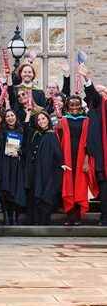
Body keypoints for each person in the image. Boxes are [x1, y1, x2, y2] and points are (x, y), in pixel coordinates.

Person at [24, 110, 69, 226]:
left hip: (46, 170)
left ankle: (43, 221)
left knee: (44, 192)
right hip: (35, 170)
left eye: (43, 119)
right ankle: (34, 220)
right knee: (34, 193)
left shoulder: (52, 135)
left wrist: (61, 163)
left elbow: (57, 152)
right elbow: (26, 131)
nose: (41, 121)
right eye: (39, 120)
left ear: (48, 120)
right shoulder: (37, 134)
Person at [56, 95, 95, 226]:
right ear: (68, 106)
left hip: (80, 158)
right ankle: (69, 216)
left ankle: (78, 216)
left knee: (80, 187)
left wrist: (86, 161)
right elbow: (58, 139)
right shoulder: (64, 120)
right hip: (67, 158)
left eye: (77, 105)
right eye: (71, 105)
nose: (74, 107)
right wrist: (58, 127)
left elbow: (89, 142)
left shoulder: (86, 121)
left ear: (81, 106)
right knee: (68, 186)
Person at [0, 108, 28, 225]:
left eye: (12, 115)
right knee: (5, 191)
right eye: (7, 116)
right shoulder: (2, 131)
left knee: (16, 190)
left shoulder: (21, 130)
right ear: (4, 119)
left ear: (16, 117)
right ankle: (7, 216)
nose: (10, 118)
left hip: (17, 163)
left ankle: (15, 217)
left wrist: (19, 153)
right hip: (4, 163)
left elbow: (27, 147)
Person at [82, 64, 107, 225]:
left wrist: (86, 79)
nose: (98, 95)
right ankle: (104, 217)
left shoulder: (102, 104)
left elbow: (94, 96)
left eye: (101, 92)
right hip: (99, 156)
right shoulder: (93, 109)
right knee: (103, 188)